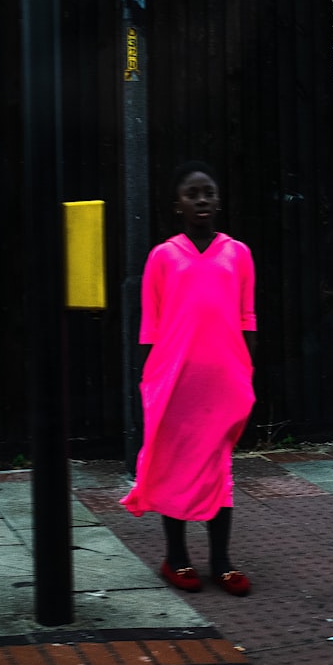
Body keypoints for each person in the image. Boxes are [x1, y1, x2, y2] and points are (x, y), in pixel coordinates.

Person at [120, 161, 257, 597]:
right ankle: (175, 557)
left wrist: (244, 369)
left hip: (222, 378)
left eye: (209, 193)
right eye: (193, 194)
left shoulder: (238, 253)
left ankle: (221, 562)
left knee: (219, 466)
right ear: (177, 204)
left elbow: (247, 317)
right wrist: (149, 380)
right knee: (176, 465)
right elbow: (150, 324)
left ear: (218, 201)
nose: (202, 200)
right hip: (175, 378)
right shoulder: (163, 256)